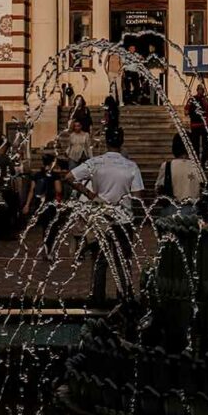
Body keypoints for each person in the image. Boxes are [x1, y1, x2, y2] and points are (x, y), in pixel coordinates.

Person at [66, 129, 145, 305]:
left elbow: (69, 177)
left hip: (101, 217)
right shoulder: (131, 166)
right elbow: (138, 196)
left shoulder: (96, 162)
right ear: (122, 142)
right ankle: (123, 297)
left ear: (106, 142)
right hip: (123, 219)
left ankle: (97, 297)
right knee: (123, 261)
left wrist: (91, 195)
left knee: (100, 260)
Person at [155, 134, 201, 214]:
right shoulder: (198, 167)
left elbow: (158, 189)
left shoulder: (167, 166)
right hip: (193, 210)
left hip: (172, 209)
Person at [185, 83, 208, 166]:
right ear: (197, 90)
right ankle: (197, 161)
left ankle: (204, 161)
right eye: (200, 89)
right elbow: (186, 110)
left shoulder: (205, 99)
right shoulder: (192, 99)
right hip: (196, 125)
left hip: (203, 125)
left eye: (202, 90)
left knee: (205, 145)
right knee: (196, 144)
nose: (201, 91)